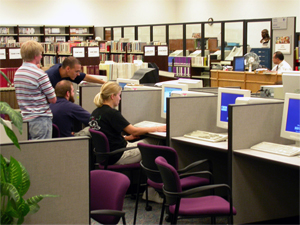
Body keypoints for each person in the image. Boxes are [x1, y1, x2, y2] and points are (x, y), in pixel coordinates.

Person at [89, 81, 166, 203]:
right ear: (112, 96)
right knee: (156, 145)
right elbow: (134, 131)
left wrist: (125, 138)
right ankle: (151, 191)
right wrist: (158, 128)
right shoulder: (112, 113)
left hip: (106, 155)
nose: (120, 98)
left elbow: (106, 136)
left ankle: (151, 189)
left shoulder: (95, 113)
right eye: (119, 95)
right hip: (119, 155)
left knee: (150, 141)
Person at [14, 40, 57, 139]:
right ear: (35, 56)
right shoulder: (40, 74)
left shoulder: (18, 73)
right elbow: (53, 99)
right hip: (40, 119)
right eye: (40, 54)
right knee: (42, 152)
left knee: (32, 151)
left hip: (25, 119)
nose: (41, 57)